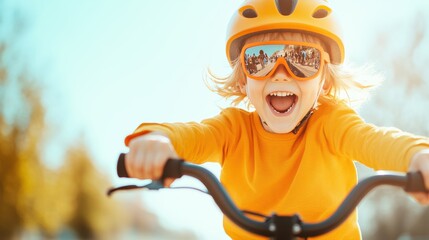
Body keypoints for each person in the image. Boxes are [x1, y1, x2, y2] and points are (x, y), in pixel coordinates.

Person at [123, 0, 429, 239]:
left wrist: (417, 155)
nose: (281, 71)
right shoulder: (233, 130)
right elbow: (195, 135)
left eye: (303, 59)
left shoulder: (331, 123)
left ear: (323, 81)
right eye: (262, 59)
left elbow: (374, 140)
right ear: (243, 79)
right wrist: (159, 141)